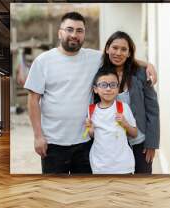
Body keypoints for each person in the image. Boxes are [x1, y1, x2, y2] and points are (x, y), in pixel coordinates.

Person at [24, 12, 157, 174]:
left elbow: (119, 56)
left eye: (79, 31)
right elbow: (32, 100)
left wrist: (147, 64)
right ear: (60, 32)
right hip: (53, 143)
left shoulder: (93, 58)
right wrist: (38, 136)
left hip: (85, 142)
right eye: (69, 29)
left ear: (84, 34)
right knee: (55, 192)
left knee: (87, 193)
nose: (74, 35)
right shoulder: (43, 61)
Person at [99, 31, 160, 174]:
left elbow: (153, 109)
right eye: (115, 48)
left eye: (124, 49)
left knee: (141, 185)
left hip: (140, 142)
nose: (118, 53)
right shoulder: (100, 74)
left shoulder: (140, 73)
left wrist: (152, 143)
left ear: (129, 53)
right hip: (113, 144)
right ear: (107, 49)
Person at [86, 68, 137, 174]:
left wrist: (125, 124)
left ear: (118, 88)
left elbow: (134, 133)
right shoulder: (91, 110)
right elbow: (93, 136)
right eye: (103, 85)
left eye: (113, 85)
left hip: (123, 166)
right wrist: (90, 130)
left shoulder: (123, 107)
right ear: (95, 89)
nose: (108, 89)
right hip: (100, 165)